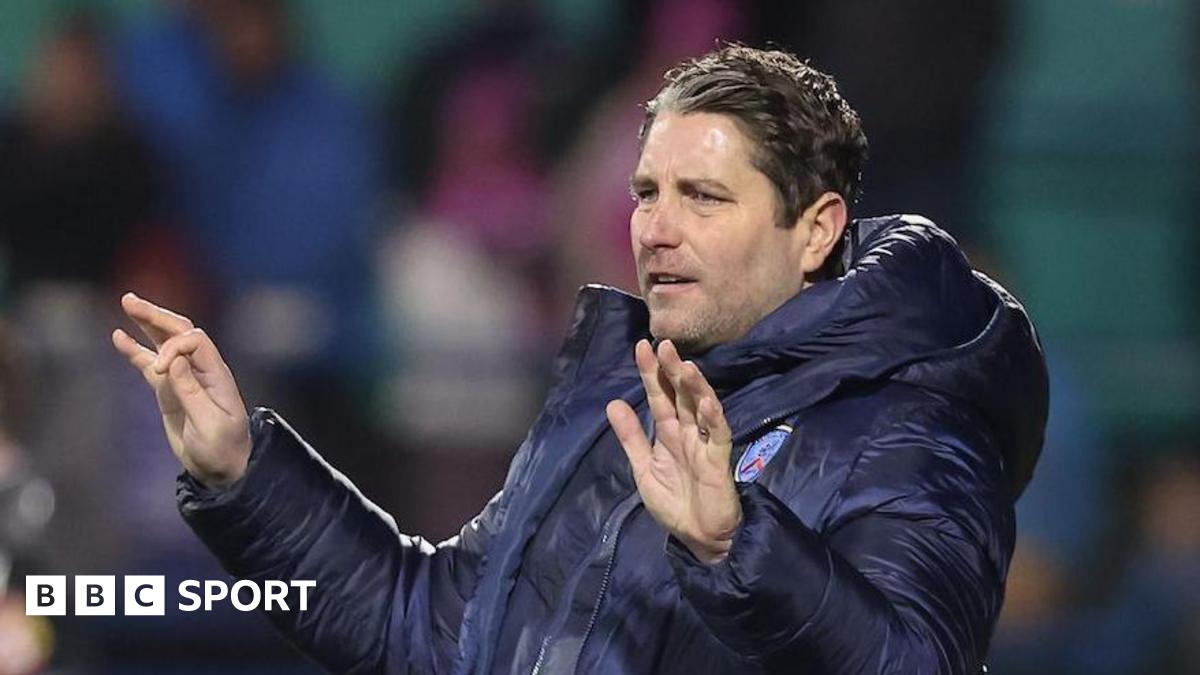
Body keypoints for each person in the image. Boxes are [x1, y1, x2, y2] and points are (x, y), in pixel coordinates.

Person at [111, 46, 1048, 674]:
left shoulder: (911, 422)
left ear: (816, 230)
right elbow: (434, 634)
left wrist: (740, 546)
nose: (657, 228)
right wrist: (245, 472)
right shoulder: (621, 395)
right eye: (646, 192)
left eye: (703, 196)